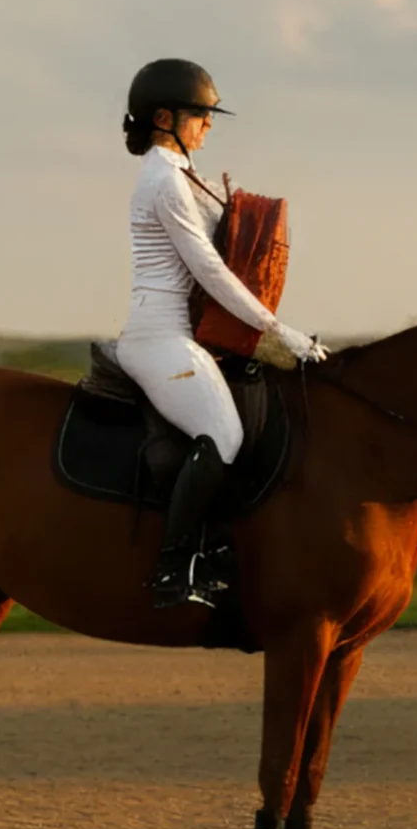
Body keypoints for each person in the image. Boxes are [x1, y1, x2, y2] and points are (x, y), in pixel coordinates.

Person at [118, 59, 323, 607]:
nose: (208, 125)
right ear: (164, 117)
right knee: (224, 433)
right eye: (200, 115)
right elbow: (210, 270)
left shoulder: (184, 176)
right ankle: (173, 567)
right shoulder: (163, 180)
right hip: (158, 337)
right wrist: (283, 333)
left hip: (188, 334)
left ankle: (217, 549)